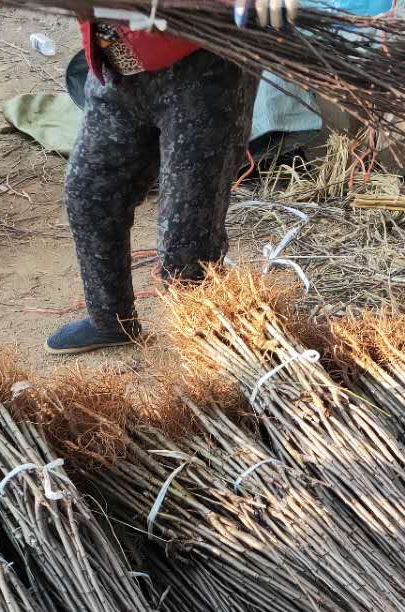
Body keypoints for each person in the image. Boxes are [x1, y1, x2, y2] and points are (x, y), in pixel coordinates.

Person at [47, 0, 297, 355]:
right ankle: (109, 321)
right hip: (118, 60)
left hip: (205, 71)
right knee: (90, 193)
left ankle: (202, 344)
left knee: (187, 240)